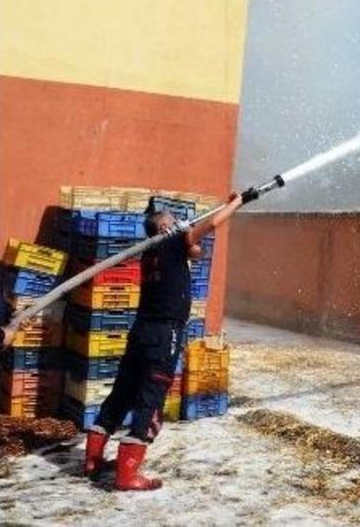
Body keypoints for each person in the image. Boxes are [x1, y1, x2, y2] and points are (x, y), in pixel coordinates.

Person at [84, 192, 244, 490]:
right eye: (172, 219)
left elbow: (196, 252)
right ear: (163, 226)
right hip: (164, 334)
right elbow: (209, 227)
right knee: (151, 398)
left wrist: (189, 242)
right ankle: (127, 475)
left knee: (123, 392)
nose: (179, 221)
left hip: (141, 332)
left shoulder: (153, 251)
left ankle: (92, 459)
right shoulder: (170, 240)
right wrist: (237, 203)